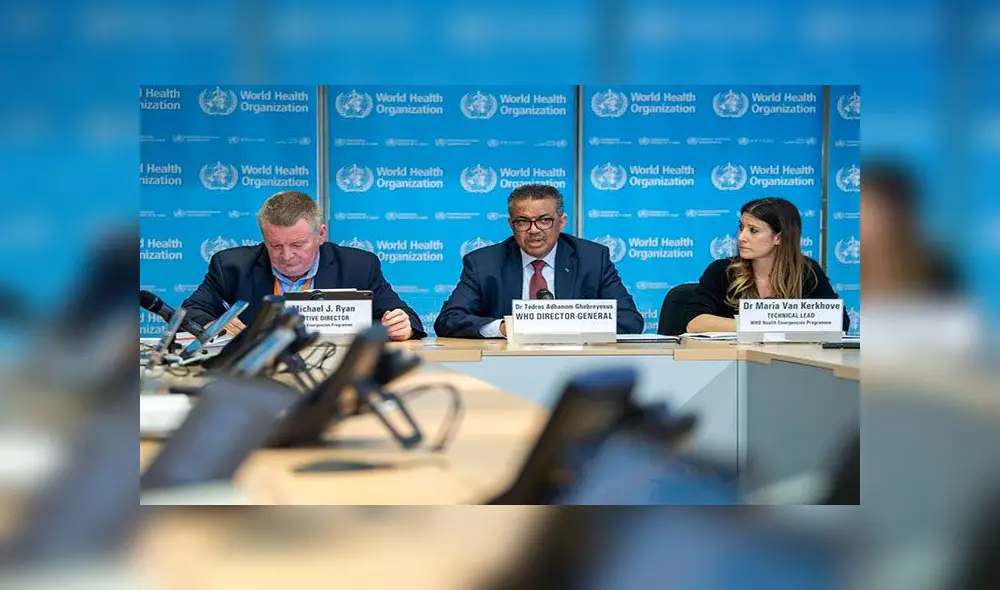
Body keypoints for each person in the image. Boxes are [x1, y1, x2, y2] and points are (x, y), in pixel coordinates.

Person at [181, 191, 425, 341]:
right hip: (257, 377)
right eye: (275, 246)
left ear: (321, 235)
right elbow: (188, 311)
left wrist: (402, 326)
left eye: (298, 244)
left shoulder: (358, 266)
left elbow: (408, 318)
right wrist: (212, 324)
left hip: (334, 374)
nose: (287, 256)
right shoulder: (232, 266)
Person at [434, 184, 643, 338]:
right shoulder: (484, 263)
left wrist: (569, 325)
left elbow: (630, 320)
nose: (533, 230)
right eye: (523, 221)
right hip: (505, 365)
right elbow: (448, 320)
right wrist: (502, 328)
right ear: (511, 224)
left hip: (576, 363)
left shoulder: (592, 258)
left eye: (544, 220)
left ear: (561, 223)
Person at [684, 197, 849, 333]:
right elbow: (695, 322)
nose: (741, 237)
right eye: (741, 228)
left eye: (753, 230)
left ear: (778, 237)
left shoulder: (806, 271)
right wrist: (769, 325)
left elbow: (838, 322)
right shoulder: (722, 270)